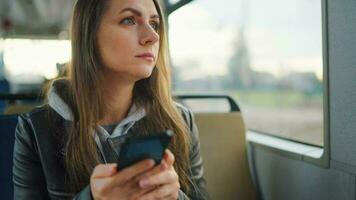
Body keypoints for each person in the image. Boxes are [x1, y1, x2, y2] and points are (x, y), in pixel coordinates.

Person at [12, 0, 209, 199]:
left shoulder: (181, 121)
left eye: (155, 24)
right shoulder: (36, 130)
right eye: (129, 20)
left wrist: (175, 196)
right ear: (89, 34)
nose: (153, 36)